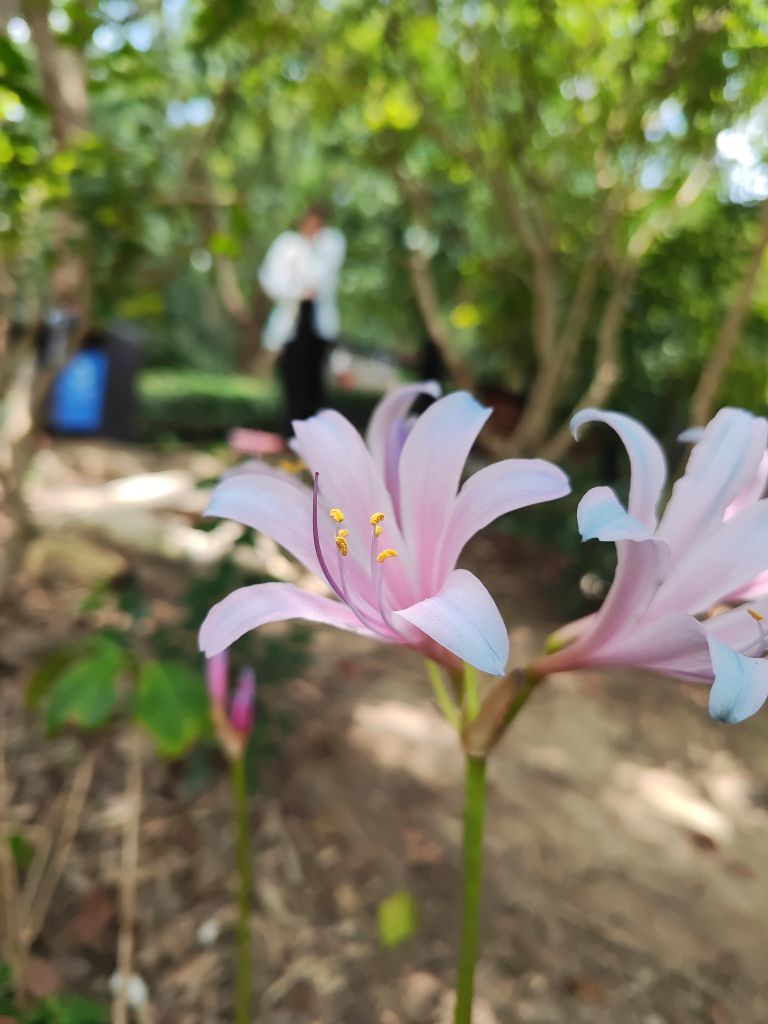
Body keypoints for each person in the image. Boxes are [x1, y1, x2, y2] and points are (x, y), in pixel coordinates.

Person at [258, 204, 346, 432]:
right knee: (292, 383)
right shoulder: (287, 245)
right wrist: (297, 290)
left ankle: (317, 436)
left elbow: (320, 278)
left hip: (317, 326)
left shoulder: (329, 244)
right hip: (292, 324)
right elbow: (271, 280)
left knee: (316, 384)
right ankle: (292, 436)